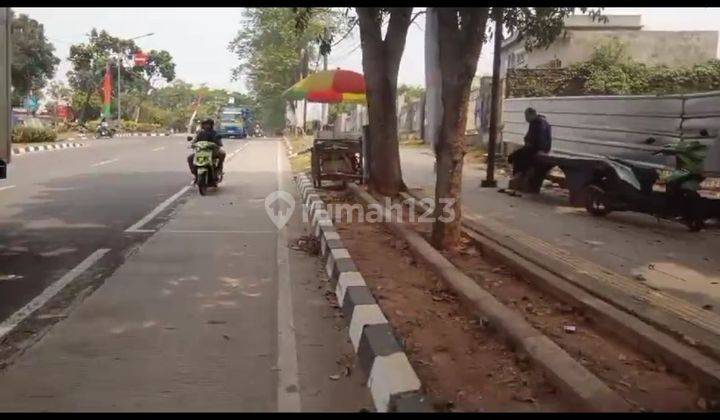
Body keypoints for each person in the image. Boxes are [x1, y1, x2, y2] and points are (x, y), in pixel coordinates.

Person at [508, 107, 552, 176]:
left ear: (532, 115)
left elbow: (541, 139)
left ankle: (519, 176)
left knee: (516, 156)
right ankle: (520, 175)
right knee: (517, 154)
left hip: (538, 149)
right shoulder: (537, 122)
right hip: (537, 148)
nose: (526, 119)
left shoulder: (539, 123)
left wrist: (538, 149)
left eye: (526, 116)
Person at [187, 118, 226, 182]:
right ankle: (194, 172)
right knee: (190, 158)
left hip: (212, 152)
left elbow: (219, 143)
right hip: (200, 152)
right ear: (202, 125)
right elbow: (194, 140)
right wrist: (191, 144)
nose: (207, 126)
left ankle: (219, 169)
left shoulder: (215, 133)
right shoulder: (199, 133)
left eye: (208, 124)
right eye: (205, 124)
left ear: (211, 125)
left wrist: (218, 144)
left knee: (222, 153)